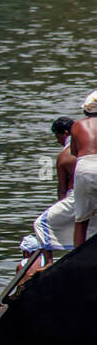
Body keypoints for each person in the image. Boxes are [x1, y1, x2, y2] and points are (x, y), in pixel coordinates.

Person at [33, 117, 77, 262]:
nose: (57, 141)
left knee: (40, 224)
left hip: (75, 197)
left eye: (57, 136)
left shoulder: (64, 156)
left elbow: (62, 189)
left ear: (64, 133)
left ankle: (49, 262)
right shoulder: (89, 146)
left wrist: (61, 205)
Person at [71, 91, 97, 248]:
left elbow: (74, 152)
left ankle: (76, 261)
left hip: (84, 166)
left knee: (81, 220)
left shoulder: (76, 125)